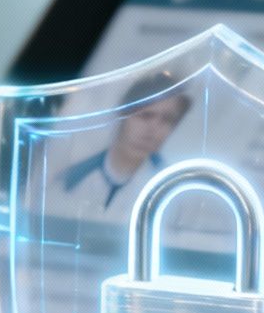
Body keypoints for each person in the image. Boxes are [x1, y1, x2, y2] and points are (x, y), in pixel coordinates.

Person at [62, 69, 191, 209]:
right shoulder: (72, 180)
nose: (153, 129)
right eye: (145, 115)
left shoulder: (175, 190)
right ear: (123, 114)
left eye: (167, 120)